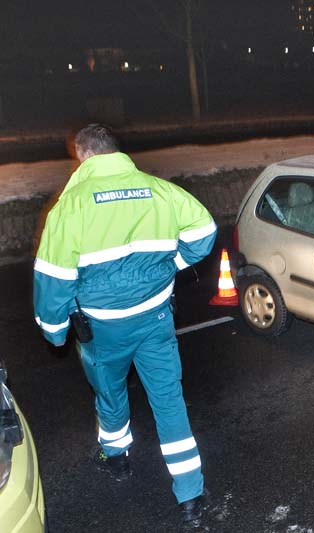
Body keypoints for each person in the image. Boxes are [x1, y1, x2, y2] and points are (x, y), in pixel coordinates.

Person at [33, 124, 217, 525]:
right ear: (115, 152)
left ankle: (116, 458)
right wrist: (170, 267)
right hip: (155, 318)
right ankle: (191, 496)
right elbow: (204, 232)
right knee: (169, 401)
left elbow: (54, 278)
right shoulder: (159, 191)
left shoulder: (72, 206)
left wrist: (54, 330)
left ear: (83, 156)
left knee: (111, 395)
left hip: (103, 329)